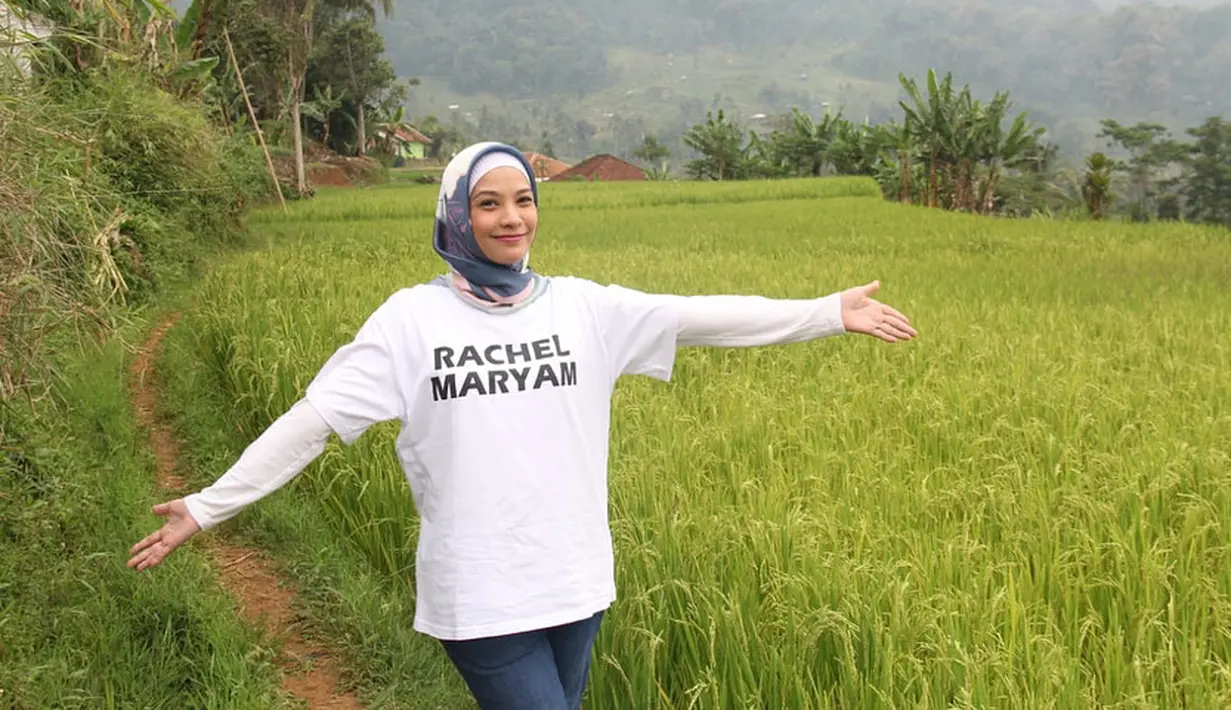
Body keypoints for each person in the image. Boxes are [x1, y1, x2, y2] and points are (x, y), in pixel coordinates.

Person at [128, 141, 917, 709]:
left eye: (524, 198)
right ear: (456, 215)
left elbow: (698, 315)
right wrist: (208, 506)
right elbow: (313, 421)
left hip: (576, 581)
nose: (512, 218)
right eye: (489, 202)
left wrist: (823, 313)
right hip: (480, 592)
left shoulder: (582, 308)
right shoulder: (410, 322)